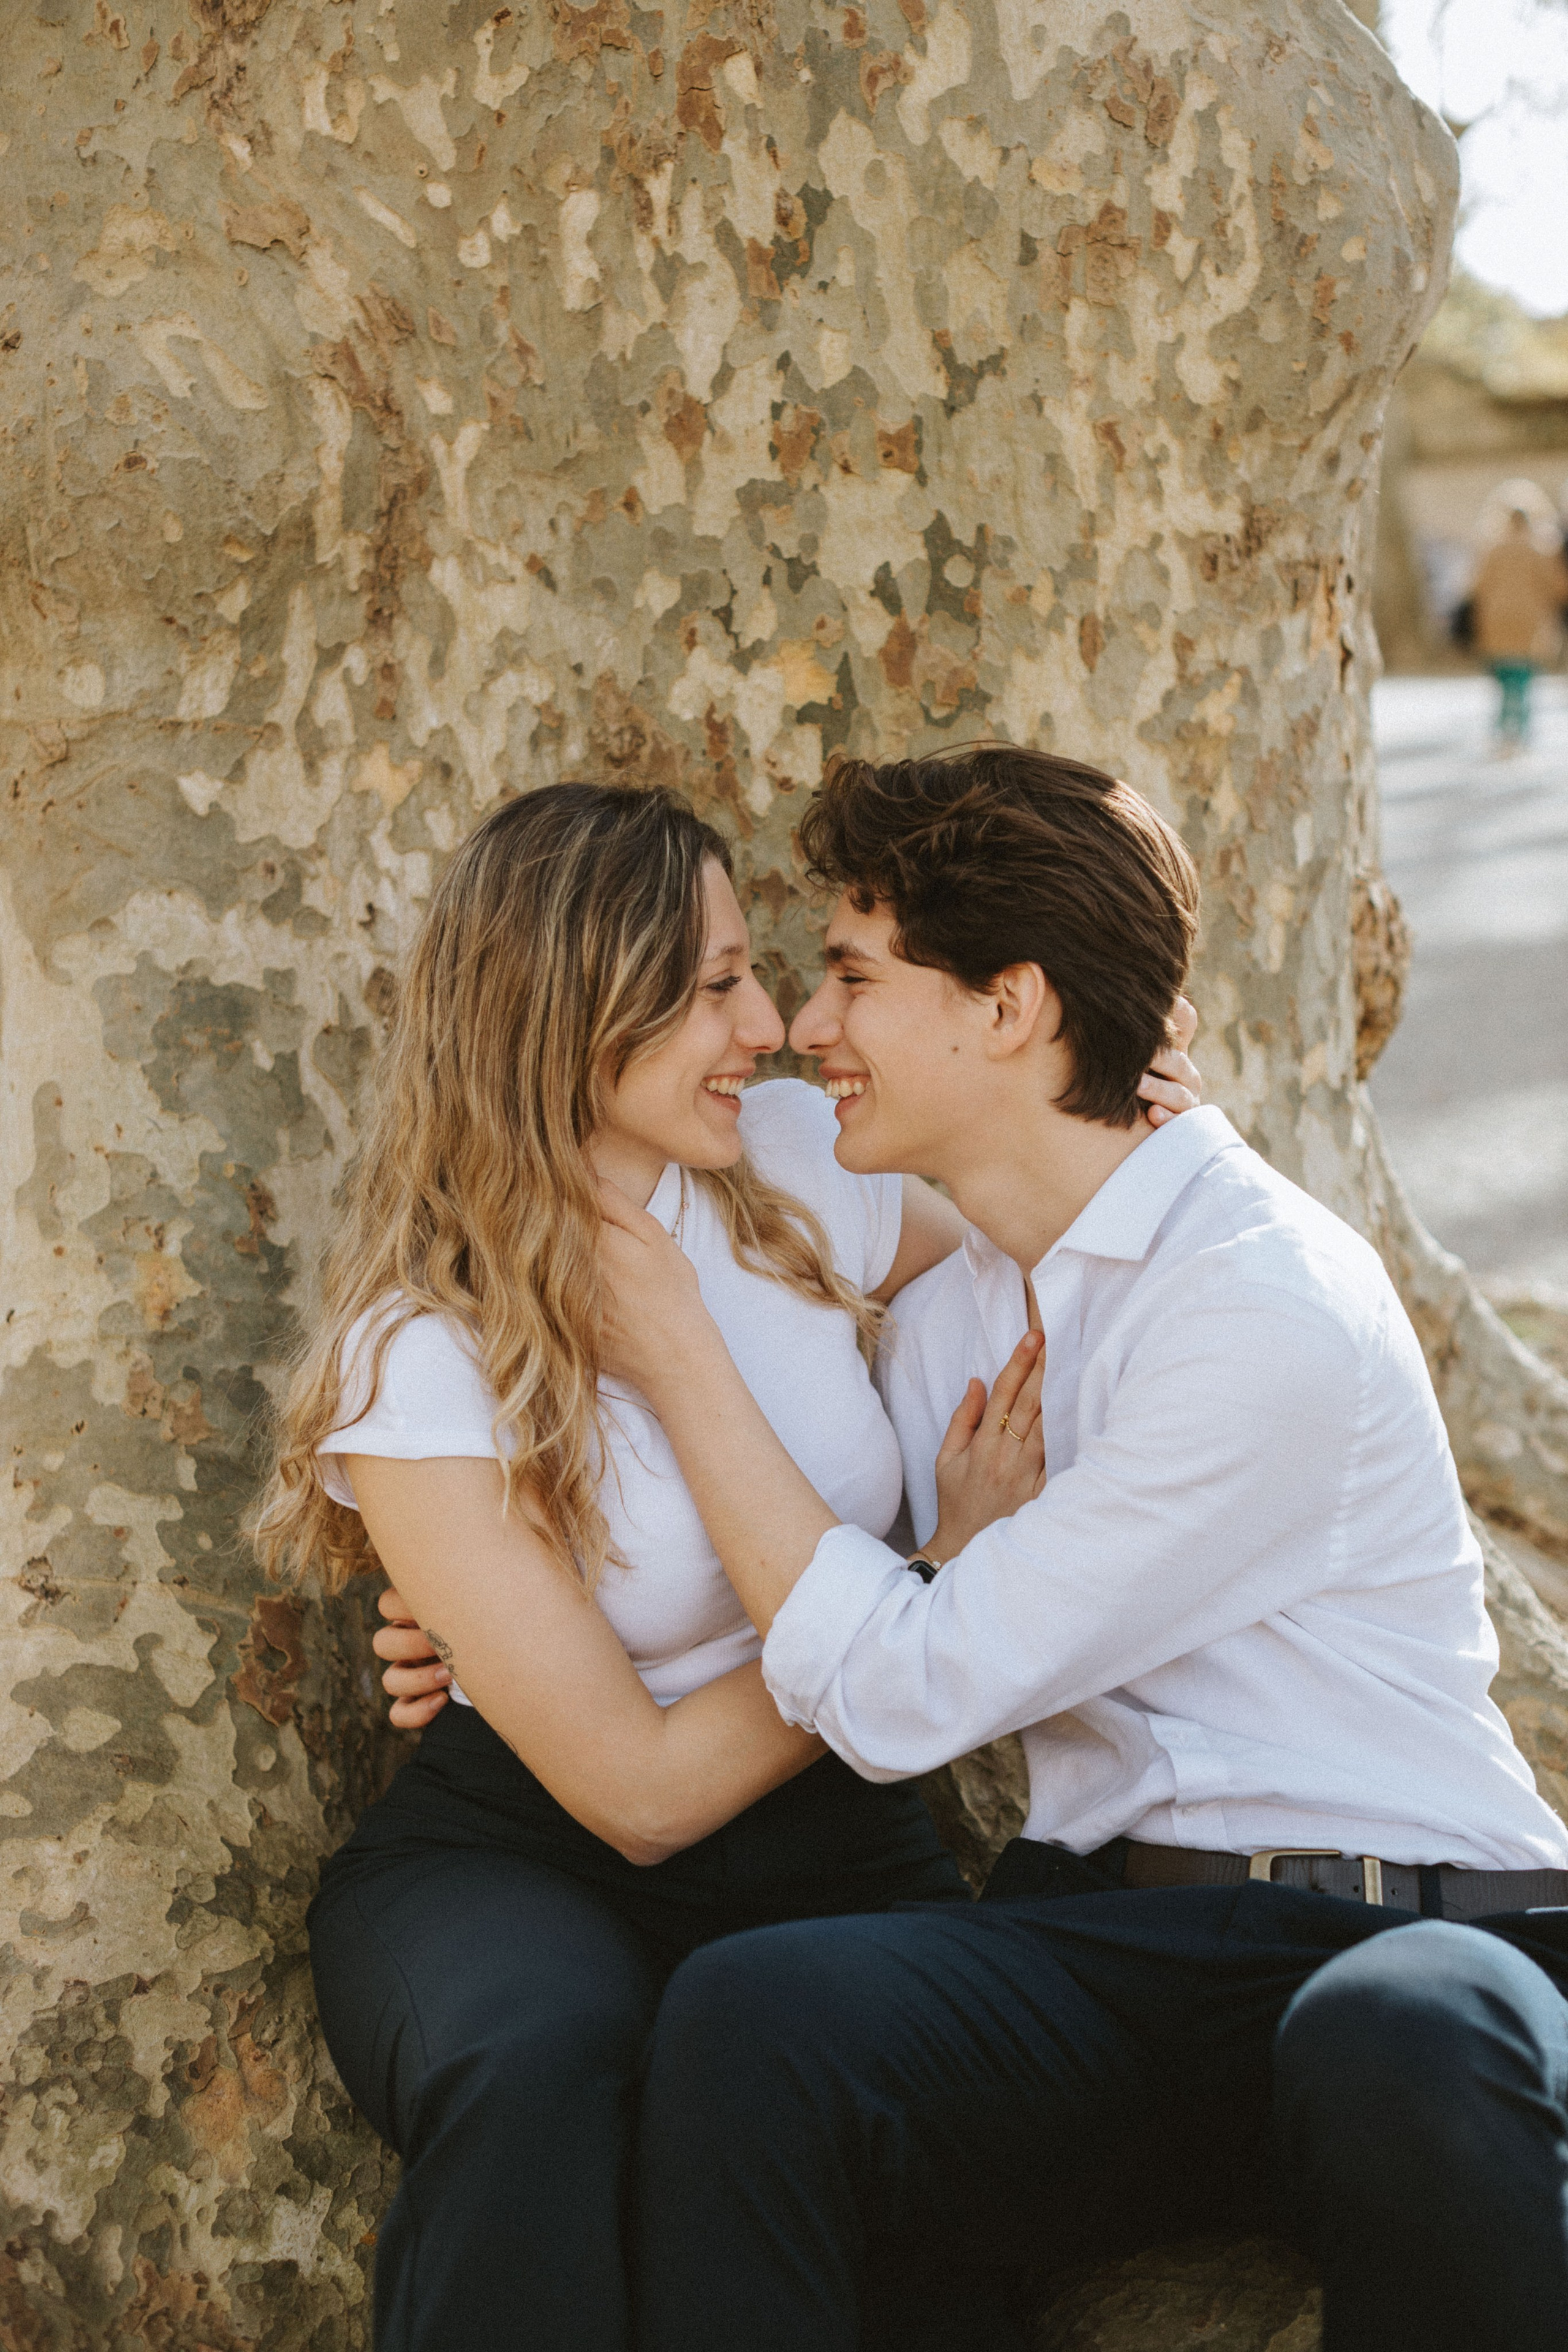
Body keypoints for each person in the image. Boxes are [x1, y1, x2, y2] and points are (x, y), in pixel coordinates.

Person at [587, 745, 1568, 2352]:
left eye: (847, 974)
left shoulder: (1261, 1304)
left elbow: (897, 1692)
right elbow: (806, 1578)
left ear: (1011, 1008)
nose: (806, 1030)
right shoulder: (954, 1318)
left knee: (1399, 2038)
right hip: (1112, 1947)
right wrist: (483, 1618)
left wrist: (678, 1352)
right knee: (760, 2024)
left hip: (1406, 1933)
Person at [252, 775, 1203, 2352]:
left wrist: (1130, 1064)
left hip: (835, 1831)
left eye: (756, 972)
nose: (765, 1023)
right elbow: (631, 1792)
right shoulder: (418, 1348)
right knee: (543, 2057)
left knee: (907, 2157)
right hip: (522, 1853)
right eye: (710, 988)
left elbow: (1060, 1169)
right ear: (569, 1013)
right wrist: (916, 1591)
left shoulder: (790, 1162)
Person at [1469, 486, 1568, 749]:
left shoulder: (1493, 549)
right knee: (1523, 678)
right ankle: (1520, 732)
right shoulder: (1542, 549)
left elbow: (1477, 586)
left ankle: (1504, 730)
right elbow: (1558, 587)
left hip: (1497, 620)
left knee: (1504, 678)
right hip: (1529, 622)